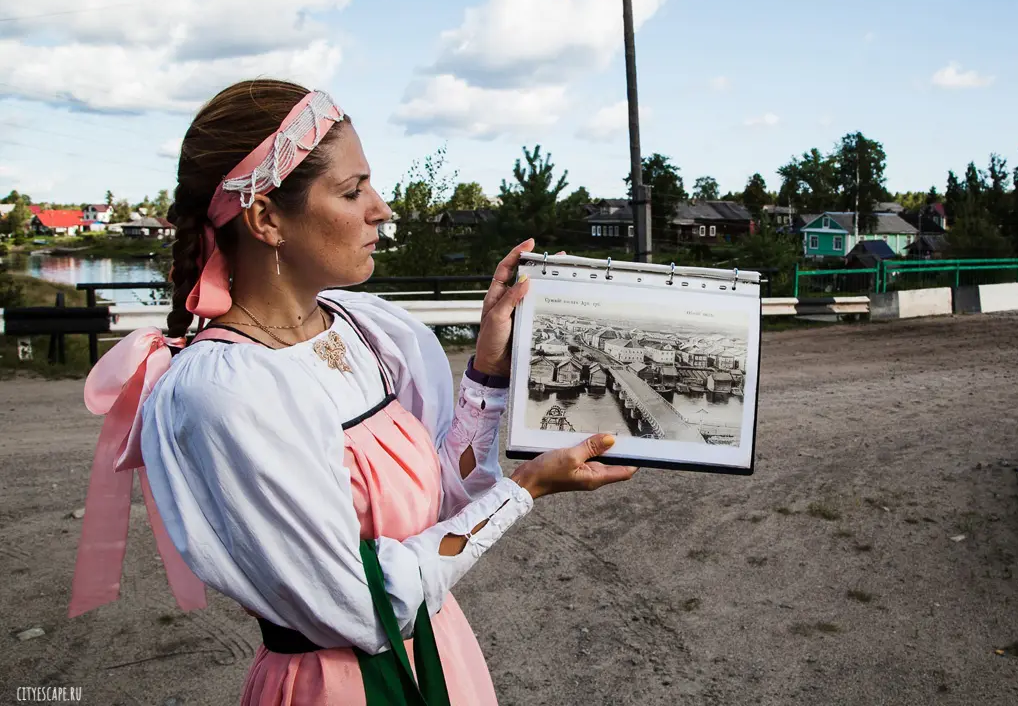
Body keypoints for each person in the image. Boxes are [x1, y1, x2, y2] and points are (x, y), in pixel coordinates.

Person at [69, 79, 637, 705]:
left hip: (439, 653)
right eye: (353, 189)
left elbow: (443, 501)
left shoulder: (367, 331)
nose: (382, 208)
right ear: (266, 219)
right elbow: (366, 608)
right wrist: (524, 490)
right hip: (343, 685)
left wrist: (490, 364)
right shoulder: (224, 392)